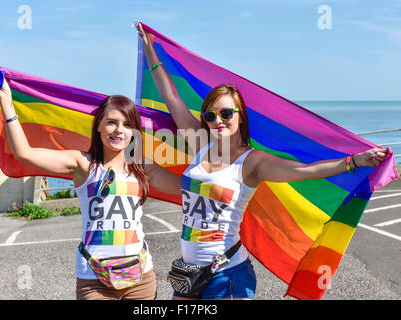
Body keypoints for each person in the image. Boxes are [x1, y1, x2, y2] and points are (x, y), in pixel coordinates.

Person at [137, 24, 392, 300]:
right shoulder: (201, 144)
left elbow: (304, 171)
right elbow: (172, 98)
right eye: (210, 116)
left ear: (240, 115)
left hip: (227, 276)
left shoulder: (252, 162)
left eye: (225, 113)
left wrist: (353, 161)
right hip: (190, 272)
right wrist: (151, 53)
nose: (217, 121)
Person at [0, 78, 180, 300]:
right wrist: (6, 102)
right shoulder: (83, 164)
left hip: (140, 278)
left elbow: (190, 187)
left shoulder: (142, 167)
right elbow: (25, 153)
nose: (119, 130)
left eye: (127, 125)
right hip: (94, 278)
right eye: (112, 122)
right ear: (98, 125)